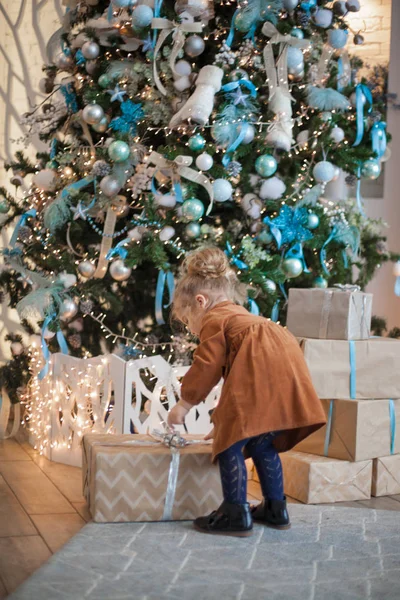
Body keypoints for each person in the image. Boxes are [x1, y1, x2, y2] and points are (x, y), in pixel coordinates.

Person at [168, 247, 326, 537]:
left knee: (231, 446)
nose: (193, 330)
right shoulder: (245, 317)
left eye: (190, 322)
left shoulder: (215, 319)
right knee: (261, 443)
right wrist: (229, 423)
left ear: (201, 302)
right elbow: (245, 381)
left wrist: (185, 403)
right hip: (287, 358)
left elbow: (207, 366)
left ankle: (235, 513)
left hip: (265, 364)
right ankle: (276, 509)